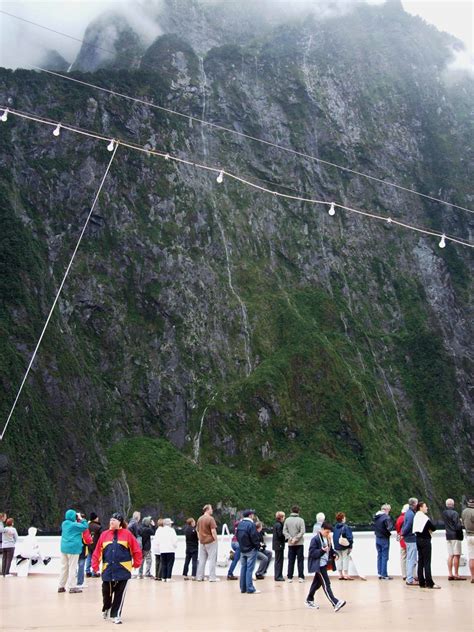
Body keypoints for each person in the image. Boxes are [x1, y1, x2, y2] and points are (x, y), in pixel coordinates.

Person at [92, 512, 142, 624]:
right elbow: (97, 551)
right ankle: (106, 607)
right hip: (107, 570)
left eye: (114, 520)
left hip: (123, 570)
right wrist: (95, 565)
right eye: (110, 520)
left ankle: (116, 615)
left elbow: (136, 549)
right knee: (106, 593)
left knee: (119, 594)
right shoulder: (104, 535)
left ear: (120, 522)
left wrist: (137, 563)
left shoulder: (128, 534)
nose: (111, 522)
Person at [305, 521, 346, 612]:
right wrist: (322, 551)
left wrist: (334, 554)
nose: (328, 534)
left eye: (329, 532)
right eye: (327, 532)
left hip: (323, 564)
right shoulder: (315, 539)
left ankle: (309, 600)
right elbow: (312, 553)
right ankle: (335, 602)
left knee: (317, 583)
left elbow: (330, 550)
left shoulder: (327, 538)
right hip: (318, 565)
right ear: (322, 530)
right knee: (326, 584)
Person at [58, 509, 89, 593]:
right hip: (73, 549)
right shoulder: (74, 525)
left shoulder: (64, 524)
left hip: (64, 548)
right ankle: (72, 587)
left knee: (64, 567)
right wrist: (81, 518)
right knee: (72, 567)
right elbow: (85, 526)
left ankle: (61, 586)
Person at [413, 501, 440, 589]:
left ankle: (421, 582)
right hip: (425, 540)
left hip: (418, 540)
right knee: (427, 562)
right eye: (425, 506)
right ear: (421, 507)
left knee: (420, 561)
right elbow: (433, 528)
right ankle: (430, 583)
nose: (427, 508)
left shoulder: (416, 516)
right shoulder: (424, 518)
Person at [236, 509, 261, 594]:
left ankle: (243, 588)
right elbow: (254, 537)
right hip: (251, 550)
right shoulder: (251, 525)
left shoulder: (240, 524)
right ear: (250, 515)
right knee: (249, 570)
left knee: (243, 568)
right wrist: (257, 546)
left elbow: (237, 536)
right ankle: (250, 588)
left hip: (243, 549)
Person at [442, 499, 466, 581]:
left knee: (450, 555)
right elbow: (457, 526)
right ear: (453, 504)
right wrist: (460, 522)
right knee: (457, 555)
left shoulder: (444, 513)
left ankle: (450, 574)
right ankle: (456, 574)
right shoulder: (455, 513)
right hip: (455, 536)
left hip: (448, 535)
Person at [196, 504, 219, 582]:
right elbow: (213, 531)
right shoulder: (210, 519)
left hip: (202, 542)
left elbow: (197, 531)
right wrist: (215, 539)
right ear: (207, 510)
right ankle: (212, 577)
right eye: (211, 509)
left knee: (202, 560)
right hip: (210, 541)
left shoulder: (199, 519)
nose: (212, 510)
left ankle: (200, 577)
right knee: (212, 560)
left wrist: (200, 539)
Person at [283, 505, 305, 582]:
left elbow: (284, 531)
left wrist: (290, 538)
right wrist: (296, 538)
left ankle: (289, 577)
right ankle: (301, 577)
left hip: (290, 543)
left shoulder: (287, 520)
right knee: (300, 561)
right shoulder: (301, 520)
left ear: (291, 511)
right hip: (299, 543)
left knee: (291, 560)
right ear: (298, 511)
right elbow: (302, 531)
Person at [373, 503, 393, 580]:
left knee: (379, 556)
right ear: (386, 510)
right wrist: (388, 533)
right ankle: (384, 574)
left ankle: (380, 573)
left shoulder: (376, 517)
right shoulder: (386, 517)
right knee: (385, 556)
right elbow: (389, 528)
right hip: (384, 538)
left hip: (377, 538)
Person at [401, 497, 418, 586]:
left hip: (408, 538)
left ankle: (409, 577)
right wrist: (403, 533)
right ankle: (410, 579)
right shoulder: (411, 514)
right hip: (411, 539)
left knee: (409, 559)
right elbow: (408, 525)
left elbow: (405, 525)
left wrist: (402, 533)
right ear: (414, 504)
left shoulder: (408, 513)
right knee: (411, 559)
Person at [333, 512, 354, 580]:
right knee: (345, 559)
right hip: (344, 546)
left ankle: (340, 574)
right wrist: (350, 546)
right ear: (342, 519)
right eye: (344, 517)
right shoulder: (346, 527)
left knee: (339, 559)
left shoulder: (335, 527)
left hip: (337, 546)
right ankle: (346, 574)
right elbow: (350, 538)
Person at [77, 516, 93, 588]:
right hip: (82, 547)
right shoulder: (83, 527)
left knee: (71, 566)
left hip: (71, 548)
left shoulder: (71, 524)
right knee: (81, 565)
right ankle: (80, 583)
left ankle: (70, 583)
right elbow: (87, 539)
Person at [461, 495, 474, 583]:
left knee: (471, 557)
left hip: (468, 536)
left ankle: (472, 576)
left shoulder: (464, 511)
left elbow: (462, 522)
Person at [86, 512, 102, 578]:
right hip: (96, 545)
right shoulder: (98, 527)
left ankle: (87, 571)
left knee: (89, 558)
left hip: (89, 544)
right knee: (95, 558)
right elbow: (101, 537)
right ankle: (94, 572)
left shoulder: (87, 526)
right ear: (95, 518)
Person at [395, 504, 408, 580]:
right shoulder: (407, 518)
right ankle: (411, 574)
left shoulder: (399, 518)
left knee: (403, 557)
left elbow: (397, 529)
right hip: (407, 539)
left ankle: (404, 574)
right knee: (410, 557)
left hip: (401, 540)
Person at [272, 511, 286, 581]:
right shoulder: (279, 525)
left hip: (276, 545)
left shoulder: (276, 524)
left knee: (277, 561)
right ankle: (278, 576)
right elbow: (280, 535)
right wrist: (286, 538)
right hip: (279, 545)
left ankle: (278, 575)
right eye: (283, 517)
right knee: (279, 561)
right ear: (281, 517)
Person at [227, 516, 241, 580]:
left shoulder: (236, 525)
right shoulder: (242, 525)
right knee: (235, 560)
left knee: (235, 558)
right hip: (238, 543)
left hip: (233, 542)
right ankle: (230, 574)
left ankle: (234, 554)